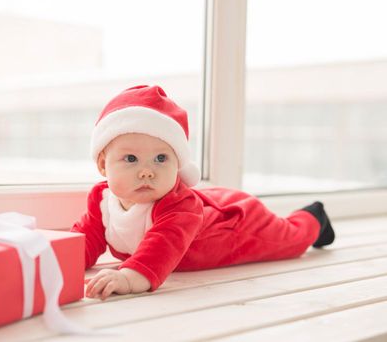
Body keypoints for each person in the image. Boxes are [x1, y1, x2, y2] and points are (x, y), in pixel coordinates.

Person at [71, 85, 335, 300]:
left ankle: (314, 217)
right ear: (103, 164)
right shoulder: (102, 199)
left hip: (235, 225)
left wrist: (129, 278)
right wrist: (61, 261)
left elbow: (162, 247)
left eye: (161, 158)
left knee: (289, 239)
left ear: (178, 164)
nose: (147, 171)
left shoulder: (178, 207)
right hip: (209, 206)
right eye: (131, 159)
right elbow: (87, 238)